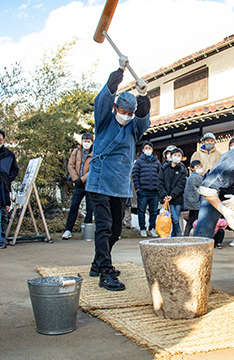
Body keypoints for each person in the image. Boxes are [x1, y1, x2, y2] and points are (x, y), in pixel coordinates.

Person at [86, 56, 150, 291]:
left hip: (121, 184)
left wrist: (143, 96)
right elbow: (104, 96)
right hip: (100, 182)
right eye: (122, 110)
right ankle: (105, 271)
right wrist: (119, 71)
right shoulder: (104, 121)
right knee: (103, 227)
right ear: (115, 108)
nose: (125, 115)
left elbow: (144, 116)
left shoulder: (134, 127)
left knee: (115, 229)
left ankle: (97, 263)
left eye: (129, 112)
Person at [62, 133, 94, 240]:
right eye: (84, 141)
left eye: (88, 141)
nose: (86, 143)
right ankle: (68, 229)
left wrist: (82, 179)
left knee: (90, 208)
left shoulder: (95, 153)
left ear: (92, 142)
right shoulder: (76, 152)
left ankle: (87, 230)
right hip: (78, 184)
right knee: (74, 206)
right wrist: (76, 179)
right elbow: (70, 165)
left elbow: (94, 168)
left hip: (89, 184)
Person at [132, 140, 161, 237]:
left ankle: (152, 228)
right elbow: (135, 175)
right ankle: (142, 228)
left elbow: (160, 176)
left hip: (154, 191)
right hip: (143, 190)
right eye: (146, 148)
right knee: (142, 210)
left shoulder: (157, 162)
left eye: (150, 148)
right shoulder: (139, 162)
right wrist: (137, 188)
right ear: (143, 150)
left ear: (152, 150)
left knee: (153, 211)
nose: (148, 150)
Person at [157, 148, 187, 237]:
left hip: (176, 198)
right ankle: (179, 236)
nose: (177, 157)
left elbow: (181, 185)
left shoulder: (182, 170)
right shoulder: (164, 168)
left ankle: (175, 237)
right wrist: (164, 194)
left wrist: (172, 195)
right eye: (175, 155)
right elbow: (160, 182)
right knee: (174, 219)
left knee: (175, 219)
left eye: (179, 155)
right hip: (166, 198)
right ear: (170, 156)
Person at [183, 160, 204, 236]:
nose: (200, 168)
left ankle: (186, 235)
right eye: (197, 167)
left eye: (200, 166)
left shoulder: (189, 178)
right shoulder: (198, 177)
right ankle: (200, 235)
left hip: (190, 203)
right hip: (197, 202)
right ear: (192, 168)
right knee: (200, 221)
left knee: (190, 220)